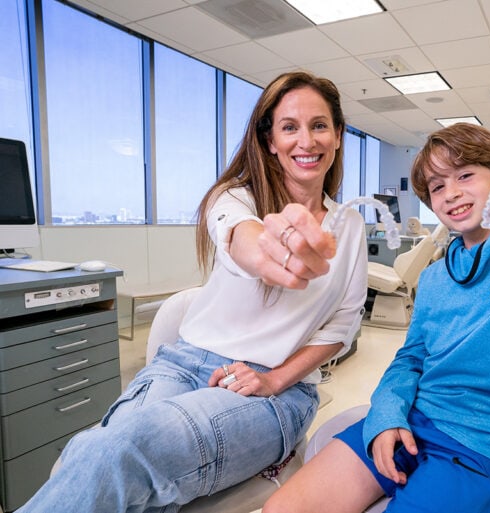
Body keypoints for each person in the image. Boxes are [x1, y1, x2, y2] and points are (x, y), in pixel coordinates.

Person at [18, 71, 369, 512]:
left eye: (319, 125)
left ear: (337, 136)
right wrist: (269, 252)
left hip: (276, 389)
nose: (306, 140)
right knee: (103, 462)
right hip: (182, 363)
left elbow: (343, 323)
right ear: (269, 141)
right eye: (289, 127)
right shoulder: (233, 199)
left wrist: (274, 378)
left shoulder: (349, 227)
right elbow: (241, 238)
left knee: (112, 454)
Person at [264, 123, 490, 513]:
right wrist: (389, 414)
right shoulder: (435, 276)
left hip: (486, 442)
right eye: (438, 186)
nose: (451, 193)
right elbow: (411, 358)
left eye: (465, 175)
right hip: (413, 421)